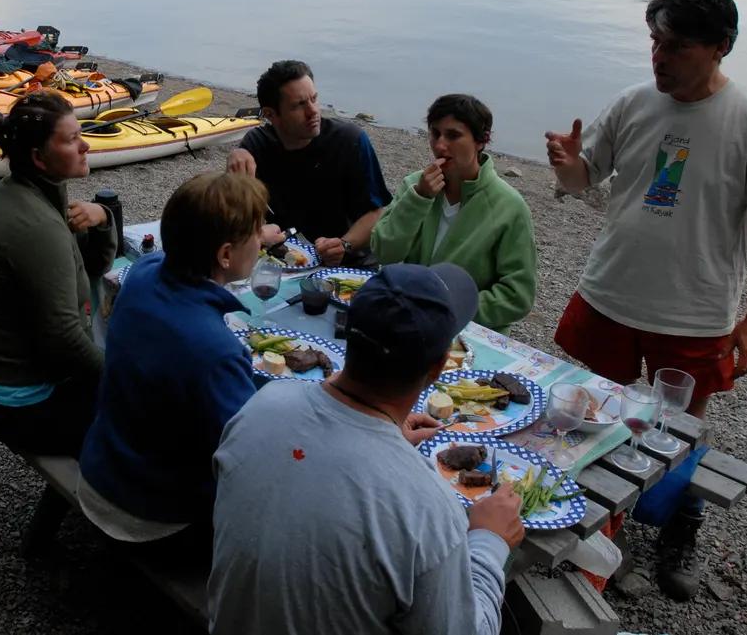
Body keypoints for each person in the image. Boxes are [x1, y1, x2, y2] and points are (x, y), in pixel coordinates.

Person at [545, 0, 747, 600]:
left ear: (721, 47)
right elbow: (587, 180)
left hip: (693, 312)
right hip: (609, 289)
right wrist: (568, 166)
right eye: (655, 41)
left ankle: (675, 521)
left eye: (677, 45)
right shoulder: (635, 102)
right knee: (582, 412)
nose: (659, 57)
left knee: (680, 428)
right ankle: (575, 512)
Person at [208, 263, 525, 635]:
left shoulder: (262, 405)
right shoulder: (429, 508)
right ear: (439, 367)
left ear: (346, 334)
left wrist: (381, 441)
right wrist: (489, 542)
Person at [77, 172, 266, 552]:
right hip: (148, 517)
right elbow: (249, 449)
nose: (261, 242)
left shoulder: (143, 274)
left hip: (101, 468)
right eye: (257, 235)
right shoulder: (215, 350)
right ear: (225, 255)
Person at [0, 92, 116, 457]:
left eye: (81, 134)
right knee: (156, 428)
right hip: (16, 404)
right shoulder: (35, 224)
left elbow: (93, 267)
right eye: (72, 139)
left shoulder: (25, 192)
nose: (86, 145)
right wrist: (124, 381)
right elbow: (64, 342)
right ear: (38, 157)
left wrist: (104, 218)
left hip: (3, 374)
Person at [370, 94, 536, 333]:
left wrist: (450, 309)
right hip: (410, 323)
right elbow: (384, 251)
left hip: (470, 334)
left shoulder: (509, 207)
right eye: (435, 133)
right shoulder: (415, 185)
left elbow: (518, 295)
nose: (439, 145)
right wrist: (419, 199)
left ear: (482, 140)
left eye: (453, 135)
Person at [226, 59, 392, 266]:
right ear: (270, 114)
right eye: (299, 105)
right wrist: (234, 163)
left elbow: (376, 211)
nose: (313, 111)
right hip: (283, 261)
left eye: (314, 99)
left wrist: (345, 244)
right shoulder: (257, 145)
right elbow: (235, 212)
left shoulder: (350, 141)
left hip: (346, 266)